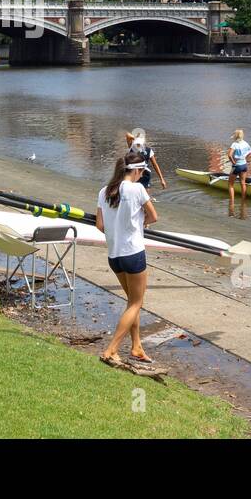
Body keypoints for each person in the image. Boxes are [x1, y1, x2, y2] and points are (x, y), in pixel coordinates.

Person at [96, 150, 158, 366]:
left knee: (132, 302)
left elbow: (100, 226)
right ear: (137, 170)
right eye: (142, 172)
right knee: (136, 303)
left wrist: (118, 230)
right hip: (133, 253)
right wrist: (139, 222)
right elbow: (153, 217)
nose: (142, 176)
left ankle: (136, 347)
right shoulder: (137, 189)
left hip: (114, 256)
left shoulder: (105, 191)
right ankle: (111, 349)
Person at [225, 129, 251, 203]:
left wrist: (234, 163)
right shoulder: (245, 143)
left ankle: (232, 202)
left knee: (230, 184)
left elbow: (229, 155)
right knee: (243, 183)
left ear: (235, 136)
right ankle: (243, 200)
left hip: (237, 166)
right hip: (244, 165)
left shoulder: (234, 144)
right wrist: (245, 159)